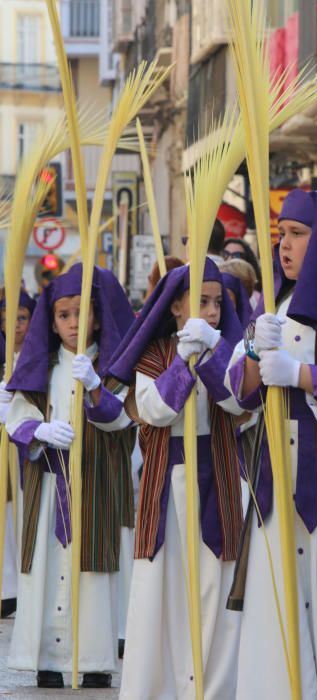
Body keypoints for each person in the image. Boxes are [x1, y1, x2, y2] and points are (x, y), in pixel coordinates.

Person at [225, 189, 317, 700]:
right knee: (276, 599)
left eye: (297, 234)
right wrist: (250, 347)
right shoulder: (272, 303)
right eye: (280, 234)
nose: (283, 245)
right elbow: (239, 394)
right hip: (276, 472)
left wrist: (302, 375)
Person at [108, 258, 245, 700]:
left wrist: (213, 353)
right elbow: (154, 410)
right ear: (175, 307)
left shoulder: (227, 348)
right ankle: (160, 688)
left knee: (215, 586)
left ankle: (214, 687)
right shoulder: (154, 354)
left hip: (219, 477)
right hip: (166, 481)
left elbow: (239, 403)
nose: (210, 312)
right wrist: (185, 360)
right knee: (163, 590)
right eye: (200, 302)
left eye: (216, 303)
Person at [5, 264, 136, 689]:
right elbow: (18, 414)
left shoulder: (116, 364)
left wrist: (97, 386)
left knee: (95, 570)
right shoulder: (40, 366)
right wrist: (37, 430)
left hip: (97, 482)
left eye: (82, 313)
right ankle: (47, 657)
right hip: (49, 483)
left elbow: (125, 420)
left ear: (98, 315)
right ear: (52, 319)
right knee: (46, 564)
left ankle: (95, 656)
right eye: (64, 315)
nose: (74, 323)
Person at [0, 289, 36, 619]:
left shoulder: (39, 356)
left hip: (27, 449)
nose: (14, 325)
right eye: (8, 319)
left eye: (22, 318)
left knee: (24, 514)